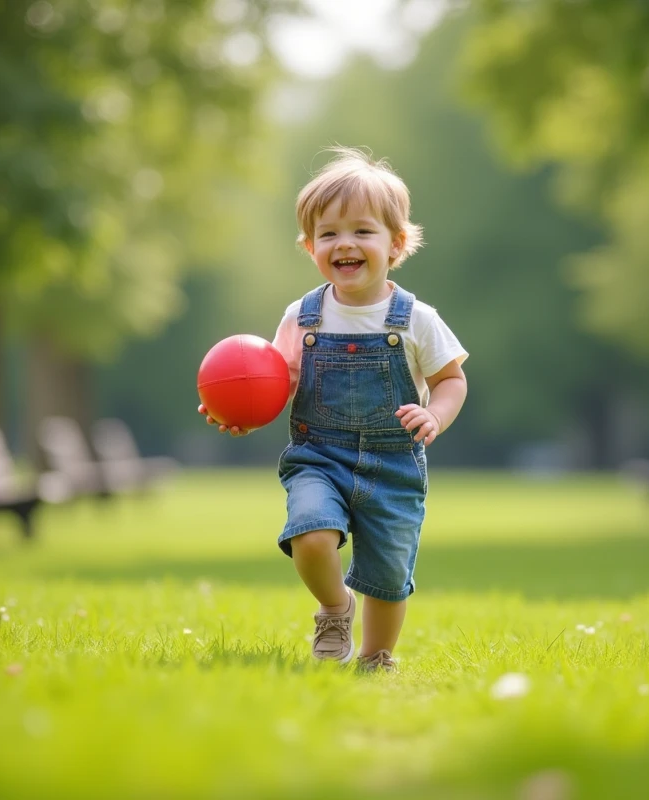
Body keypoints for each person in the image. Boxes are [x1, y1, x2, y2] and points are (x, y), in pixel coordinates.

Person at [199, 147, 468, 672]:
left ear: (396, 243)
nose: (345, 243)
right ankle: (334, 606)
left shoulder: (416, 318)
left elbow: (451, 380)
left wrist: (435, 414)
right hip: (318, 455)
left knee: (389, 576)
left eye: (362, 231)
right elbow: (276, 381)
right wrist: (237, 410)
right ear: (310, 246)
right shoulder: (302, 316)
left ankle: (375, 658)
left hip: (392, 466)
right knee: (311, 533)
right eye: (328, 234)